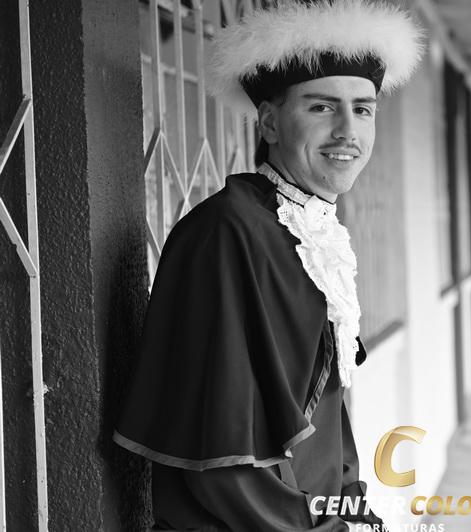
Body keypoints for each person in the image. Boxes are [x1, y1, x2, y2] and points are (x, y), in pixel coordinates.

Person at [112, 1, 424, 530]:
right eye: (322, 107)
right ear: (270, 122)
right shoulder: (227, 232)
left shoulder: (313, 231)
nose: (348, 130)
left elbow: (326, 406)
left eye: (363, 109)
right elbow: (223, 457)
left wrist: (353, 508)